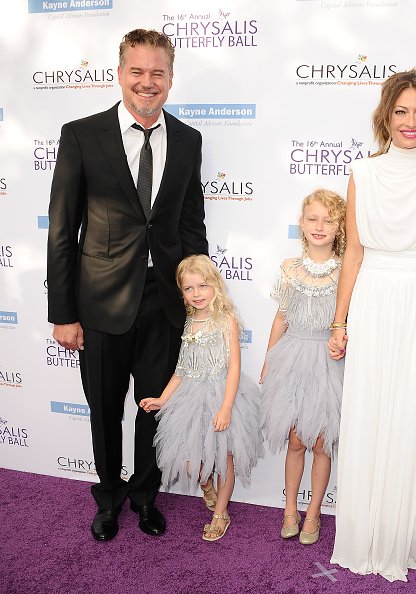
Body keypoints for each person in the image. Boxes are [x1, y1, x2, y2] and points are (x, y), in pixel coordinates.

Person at [46, 29, 208, 541]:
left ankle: (145, 495)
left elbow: (191, 227)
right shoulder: (81, 135)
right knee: (105, 409)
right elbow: (61, 231)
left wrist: (200, 299)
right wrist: (63, 313)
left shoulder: (187, 140)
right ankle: (109, 498)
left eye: (157, 73)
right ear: (120, 74)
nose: (147, 82)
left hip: (165, 305)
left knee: (153, 409)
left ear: (171, 79)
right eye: (137, 71)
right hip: (98, 305)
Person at [328, 69, 416, 581]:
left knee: (414, 416)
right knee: (368, 413)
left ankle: (400, 538)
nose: (411, 122)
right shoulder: (362, 174)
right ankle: (363, 535)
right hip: (374, 296)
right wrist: (340, 320)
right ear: (385, 117)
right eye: (400, 111)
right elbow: (353, 258)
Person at [140, 255, 264, 541]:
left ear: (216, 286)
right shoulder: (187, 322)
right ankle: (206, 484)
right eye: (189, 289)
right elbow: (181, 370)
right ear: (181, 292)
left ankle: (221, 513)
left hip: (223, 394)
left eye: (202, 286)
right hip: (190, 397)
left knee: (225, 458)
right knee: (190, 460)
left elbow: (234, 366)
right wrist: (161, 399)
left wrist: (226, 407)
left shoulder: (225, 320)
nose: (197, 294)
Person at [259, 189, 346, 545]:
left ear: (340, 227)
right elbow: (281, 317)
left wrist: (344, 339)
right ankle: (289, 509)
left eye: (328, 219)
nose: (320, 226)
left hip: (328, 363)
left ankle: (314, 513)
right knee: (296, 440)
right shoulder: (289, 269)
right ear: (302, 224)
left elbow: (351, 319)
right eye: (313, 219)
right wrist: (269, 360)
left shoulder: (347, 271)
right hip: (292, 358)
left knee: (322, 443)